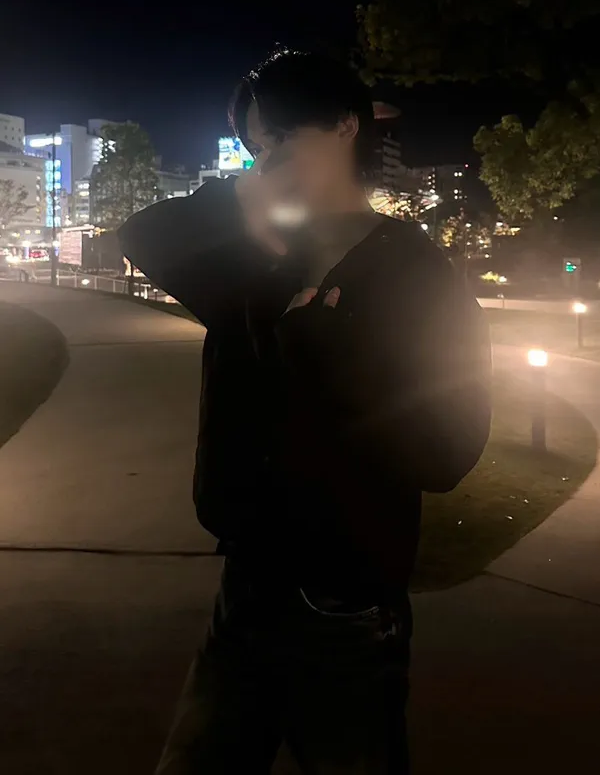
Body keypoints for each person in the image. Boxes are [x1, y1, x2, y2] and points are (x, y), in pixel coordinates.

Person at [118, 49, 492, 774]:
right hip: (247, 586)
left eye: (283, 138)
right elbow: (143, 234)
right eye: (256, 147)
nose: (266, 161)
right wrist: (241, 198)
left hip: (346, 603)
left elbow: (447, 450)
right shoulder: (260, 263)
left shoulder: (414, 274)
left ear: (346, 124)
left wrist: (326, 349)